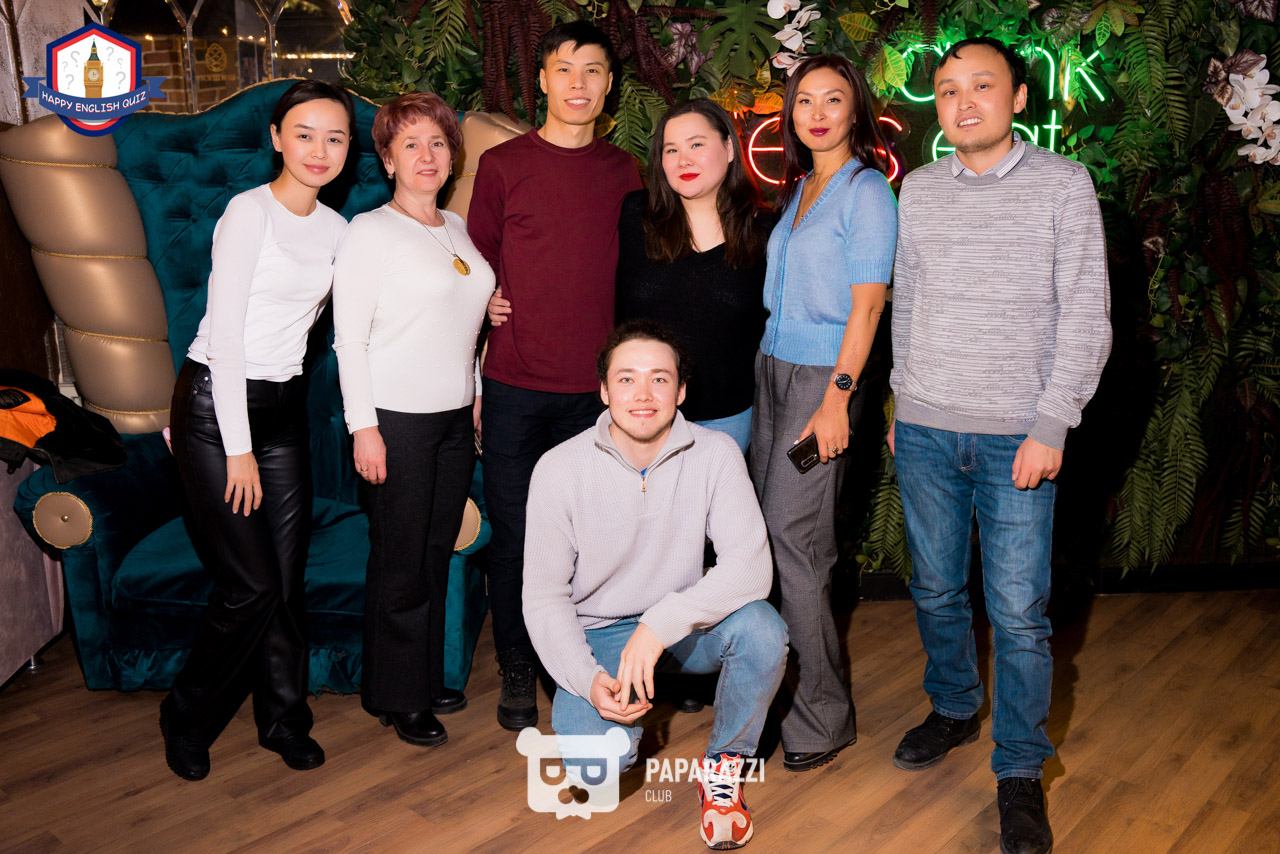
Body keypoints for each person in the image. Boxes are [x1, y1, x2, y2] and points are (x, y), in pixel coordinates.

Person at [888, 37, 1111, 854]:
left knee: (1018, 614)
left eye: (982, 85)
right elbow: (908, 301)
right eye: (948, 89)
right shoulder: (919, 189)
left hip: (1019, 435)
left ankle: (1018, 768)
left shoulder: (1063, 184)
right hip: (925, 429)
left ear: (1019, 96)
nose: (963, 102)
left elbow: (1086, 313)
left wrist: (1052, 424)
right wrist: (901, 399)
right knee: (936, 588)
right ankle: (954, 705)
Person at [523, 320, 788, 850]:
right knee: (597, 770)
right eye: (626, 379)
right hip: (597, 635)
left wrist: (657, 626)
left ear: (681, 391)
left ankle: (724, 770)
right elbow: (544, 597)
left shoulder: (715, 453)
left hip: (681, 626)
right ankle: (621, 719)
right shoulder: (559, 468)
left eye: (659, 379)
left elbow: (752, 568)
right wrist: (585, 679)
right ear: (604, 390)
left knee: (763, 630)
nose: (643, 394)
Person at [159, 80, 353, 780]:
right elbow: (228, 337)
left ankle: (283, 720)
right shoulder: (249, 212)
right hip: (218, 407)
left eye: (335, 137)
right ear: (276, 139)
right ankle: (186, 716)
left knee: (286, 581)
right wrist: (236, 449)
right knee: (251, 585)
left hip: (283, 413)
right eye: (304, 133)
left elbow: (377, 306)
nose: (319, 149)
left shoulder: (338, 231)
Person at [467, 20, 642, 731]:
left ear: (609, 85)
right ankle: (517, 665)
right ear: (541, 80)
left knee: (596, 541)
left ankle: (583, 667)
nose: (578, 83)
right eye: (564, 69)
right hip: (515, 388)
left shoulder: (625, 172)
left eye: (592, 71)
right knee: (515, 537)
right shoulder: (502, 165)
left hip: (597, 399)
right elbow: (471, 266)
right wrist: (483, 308)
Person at [749, 54, 898, 773]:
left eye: (832, 99)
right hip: (772, 371)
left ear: (856, 109)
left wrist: (838, 396)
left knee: (796, 540)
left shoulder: (867, 191)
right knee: (770, 536)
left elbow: (867, 306)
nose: (816, 113)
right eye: (804, 100)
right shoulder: (802, 186)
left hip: (820, 382)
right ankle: (777, 696)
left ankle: (822, 718)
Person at [332, 92, 493, 748]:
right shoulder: (370, 232)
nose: (427, 155)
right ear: (388, 159)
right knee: (400, 561)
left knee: (432, 553)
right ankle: (399, 696)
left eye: (438, 143)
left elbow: (463, 320)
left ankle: (416, 677)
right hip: (395, 419)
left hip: (453, 418)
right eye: (411, 145)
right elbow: (349, 338)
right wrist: (363, 427)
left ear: (452, 156)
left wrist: (474, 389)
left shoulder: (454, 227)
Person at [612, 99, 773, 453]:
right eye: (671, 150)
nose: (683, 160)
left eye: (696, 144)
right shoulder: (635, 216)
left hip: (726, 420)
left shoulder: (765, 232)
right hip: (640, 412)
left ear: (729, 148)